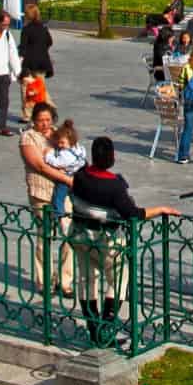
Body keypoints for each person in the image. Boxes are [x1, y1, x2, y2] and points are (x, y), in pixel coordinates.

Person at [67, 136, 179, 340]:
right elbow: (133, 214)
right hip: (104, 240)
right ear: (111, 157)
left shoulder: (80, 176)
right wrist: (161, 209)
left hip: (80, 235)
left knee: (86, 278)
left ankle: (93, 328)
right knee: (120, 278)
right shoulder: (114, 185)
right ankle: (107, 324)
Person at [20, 102, 77, 296]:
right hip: (41, 192)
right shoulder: (28, 137)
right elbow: (40, 166)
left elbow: (73, 152)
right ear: (33, 120)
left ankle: (66, 280)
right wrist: (67, 179)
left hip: (63, 192)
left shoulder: (58, 134)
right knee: (45, 236)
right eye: (40, 120)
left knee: (69, 234)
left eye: (47, 120)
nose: (44, 124)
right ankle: (45, 281)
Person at [19, 2, 54, 121]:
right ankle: (47, 109)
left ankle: (27, 114)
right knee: (40, 87)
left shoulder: (26, 29)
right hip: (42, 62)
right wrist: (41, 49)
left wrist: (20, 60)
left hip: (29, 63)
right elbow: (49, 42)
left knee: (26, 88)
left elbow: (23, 47)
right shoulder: (43, 28)